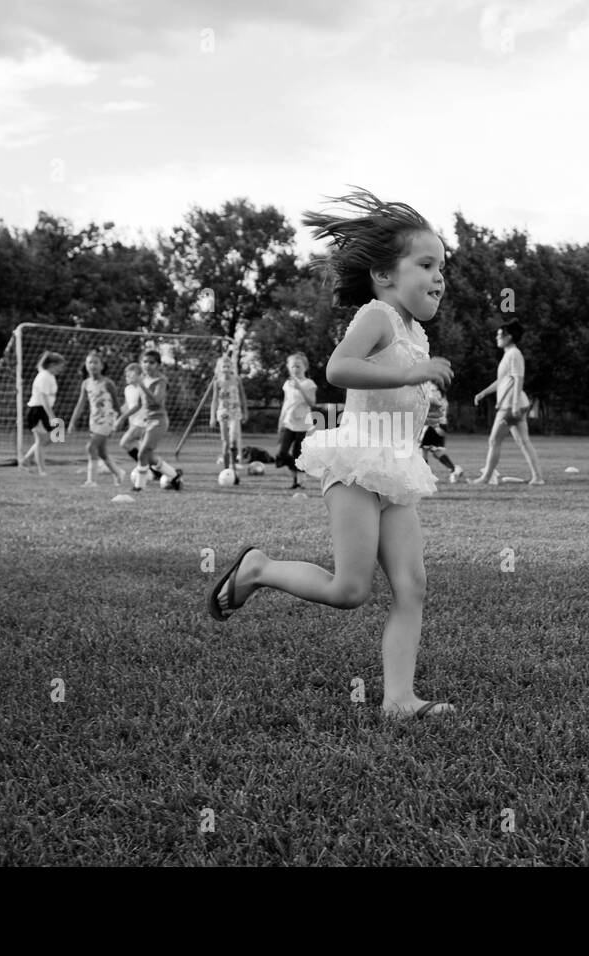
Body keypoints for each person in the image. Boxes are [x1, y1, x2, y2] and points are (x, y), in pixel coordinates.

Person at [207, 188, 455, 719]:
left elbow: (394, 388)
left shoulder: (416, 334)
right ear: (386, 275)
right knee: (349, 590)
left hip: (397, 471)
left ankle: (399, 700)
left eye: (443, 267)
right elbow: (338, 370)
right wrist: (412, 374)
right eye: (427, 264)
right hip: (356, 466)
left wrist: (419, 402)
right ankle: (258, 568)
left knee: (412, 588)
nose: (439, 277)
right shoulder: (378, 315)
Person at [471, 321, 544, 485]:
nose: (497, 337)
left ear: (509, 336)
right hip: (515, 404)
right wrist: (483, 393)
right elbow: (502, 381)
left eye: (499, 334)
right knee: (523, 441)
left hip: (511, 406)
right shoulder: (509, 354)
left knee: (494, 440)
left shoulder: (514, 354)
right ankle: (537, 477)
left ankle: (486, 477)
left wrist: (516, 404)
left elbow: (519, 379)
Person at [114, 350, 183, 490]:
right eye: (145, 362)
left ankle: (139, 487)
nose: (147, 365)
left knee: (142, 452)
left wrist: (142, 385)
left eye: (151, 362)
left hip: (158, 421)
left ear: (158, 365)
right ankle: (174, 475)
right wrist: (122, 417)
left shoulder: (160, 381)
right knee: (149, 456)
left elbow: (156, 400)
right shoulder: (143, 380)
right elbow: (139, 404)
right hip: (146, 421)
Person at [67, 351, 125, 487]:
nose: (92, 365)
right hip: (94, 421)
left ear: (102, 366)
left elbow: (116, 404)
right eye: (90, 362)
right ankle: (118, 473)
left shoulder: (108, 383)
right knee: (102, 453)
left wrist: (119, 420)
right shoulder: (86, 384)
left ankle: (91, 481)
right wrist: (72, 422)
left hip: (107, 420)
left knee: (90, 447)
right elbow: (81, 404)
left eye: (95, 362)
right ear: (86, 365)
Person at [275, 352, 317, 490]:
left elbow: (312, 403)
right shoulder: (287, 384)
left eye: (298, 366)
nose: (295, 369)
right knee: (281, 453)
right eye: (292, 367)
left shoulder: (309, 384)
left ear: (305, 367)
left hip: (303, 425)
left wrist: (300, 389)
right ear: (288, 368)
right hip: (289, 423)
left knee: (297, 454)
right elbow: (286, 403)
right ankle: (300, 474)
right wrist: (280, 420)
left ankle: (298, 482)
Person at [21, 351, 65, 475]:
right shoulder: (44, 376)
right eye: (60, 366)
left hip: (43, 410)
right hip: (37, 410)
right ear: (52, 364)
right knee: (41, 440)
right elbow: (43, 398)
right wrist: (51, 416)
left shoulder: (50, 376)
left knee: (53, 438)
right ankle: (42, 470)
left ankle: (26, 460)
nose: (61, 369)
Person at [210, 354, 248, 484]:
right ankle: (226, 471)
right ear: (219, 368)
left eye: (228, 365)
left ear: (232, 367)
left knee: (233, 441)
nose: (226, 368)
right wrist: (212, 416)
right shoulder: (217, 382)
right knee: (225, 442)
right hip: (223, 413)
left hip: (235, 412)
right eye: (223, 366)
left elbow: (242, 396)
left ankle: (234, 470)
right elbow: (215, 399)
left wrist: (245, 411)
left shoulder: (237, 380)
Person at [420, 382, 464, 482]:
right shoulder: (440, 390)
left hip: (433, 422)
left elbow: (431, 405)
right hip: (439, 422)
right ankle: (454, 469)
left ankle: (425, 477)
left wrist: (433, 425)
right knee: (436, 451)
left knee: (423, 450)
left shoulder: (432, 388)